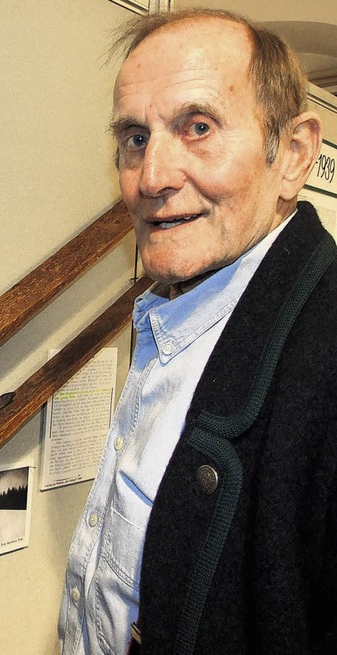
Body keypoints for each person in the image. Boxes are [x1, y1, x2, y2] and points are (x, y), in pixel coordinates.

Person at [58, 8, 337, 655]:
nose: (151, 176)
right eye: (134, 137)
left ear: (292, 155)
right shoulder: (178, 312)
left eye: (198, 127)